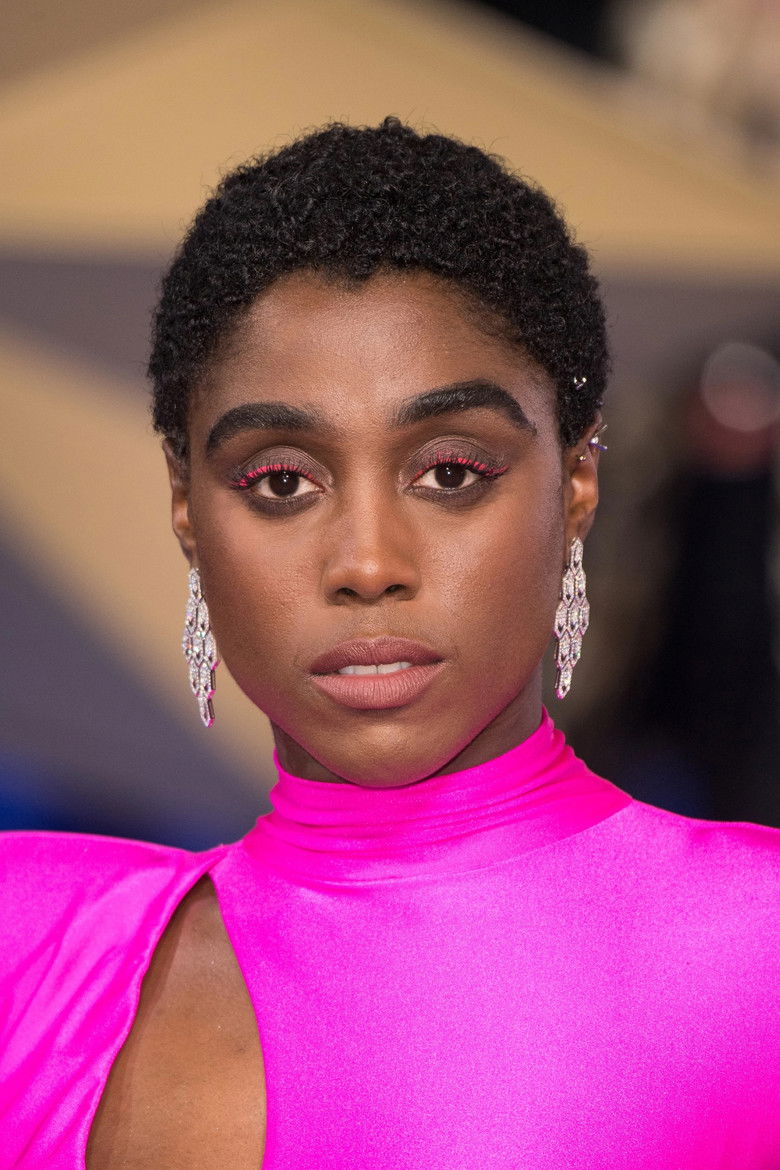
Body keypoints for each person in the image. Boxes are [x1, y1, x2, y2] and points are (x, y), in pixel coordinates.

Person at [1, 117, 778, 1170]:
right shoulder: (28, 932)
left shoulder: (750, 953)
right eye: (282, 481)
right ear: (188, 509)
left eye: (451, 473)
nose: (367, 562)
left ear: (575, 483)